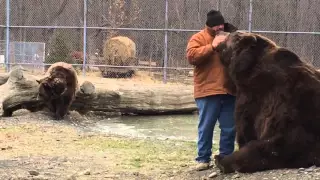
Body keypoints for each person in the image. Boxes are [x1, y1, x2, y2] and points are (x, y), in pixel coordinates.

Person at [186, 9, 237, 171]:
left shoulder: (230, 36)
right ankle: (203, 158)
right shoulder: (198, 38)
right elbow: (191, 56)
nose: (219, 27)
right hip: (208, 90)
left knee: (229, 127)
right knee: (206, 126)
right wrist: (212, 46)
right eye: (216, 25)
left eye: (221, 24)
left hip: (229, 90)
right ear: (209, 25)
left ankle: (226, 158)